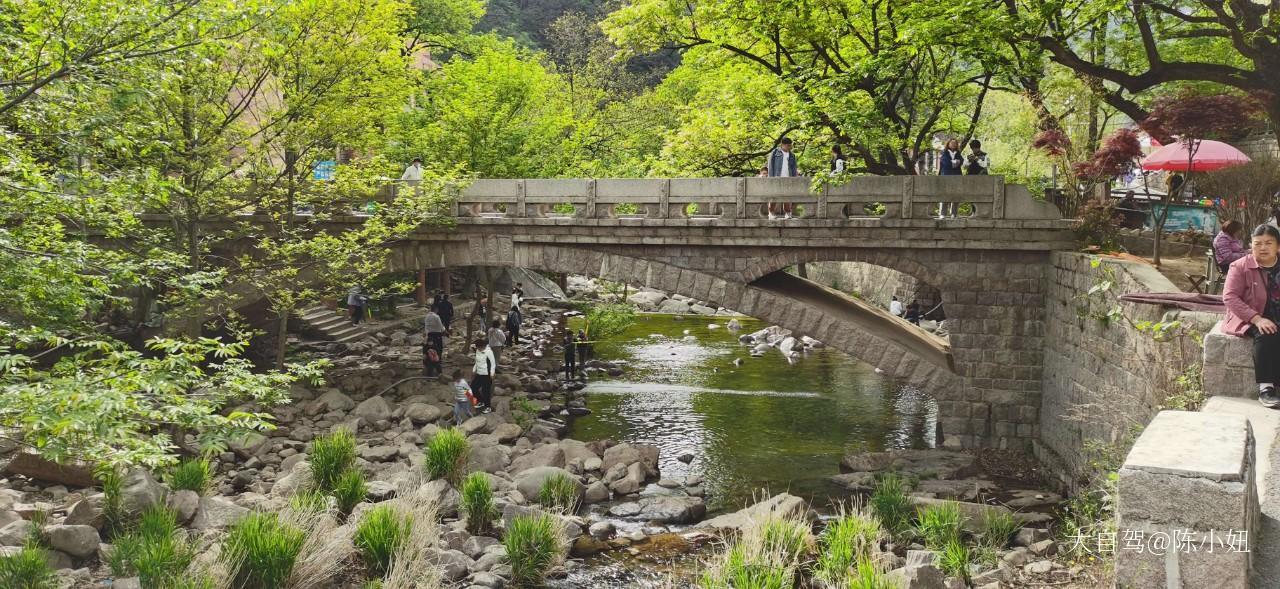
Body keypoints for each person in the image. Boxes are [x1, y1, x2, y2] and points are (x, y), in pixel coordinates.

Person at [1222, 224, 1280, 408]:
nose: (1263, 248)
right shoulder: (1240, 267)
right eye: (1258, 244)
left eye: (1268, 243)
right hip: (1250, 315)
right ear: (1251, 246)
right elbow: (1229, 297)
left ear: (1278, 246)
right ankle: (1266, 388)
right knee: (1267, 334)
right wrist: (1256, 318)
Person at [766, 137, 798, 220]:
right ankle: (771, 212)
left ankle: (788, 212)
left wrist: (794, 178)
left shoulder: (792, 155)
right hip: (777, 177)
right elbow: (770, 166)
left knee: (787, 196)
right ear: (782, 145)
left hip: (788, 177)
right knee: (774, 196)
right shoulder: (775, 152)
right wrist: (771, 178)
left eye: (790, 146)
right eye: (788, 146)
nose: (789, 147)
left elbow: (794, 168)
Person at [470, 339, 496, 412]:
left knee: (485, 391)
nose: (478, 349)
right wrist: (474, 370)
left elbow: (493, 364)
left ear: (484, 346)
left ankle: (488, 407)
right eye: (477, 348)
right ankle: (481, 401)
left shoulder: (489, 352)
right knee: (473, 387)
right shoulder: (478, 350)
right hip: (479, 373)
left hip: (486, 374)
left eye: (480, 348)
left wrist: (492, 373)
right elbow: (476, 361)